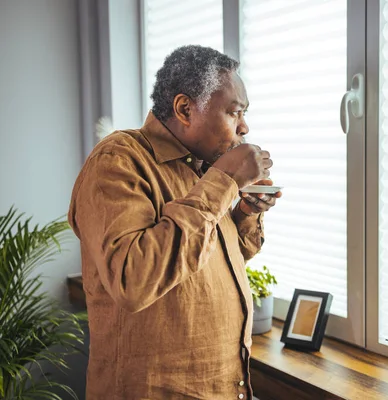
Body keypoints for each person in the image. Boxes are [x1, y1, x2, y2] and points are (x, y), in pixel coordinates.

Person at [68, 45, 281, 399]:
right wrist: (224, 182)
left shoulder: (200, 170)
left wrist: (245, 211)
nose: (244, 126)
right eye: (234, 112)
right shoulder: (118, 160)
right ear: (185, 109)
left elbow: (213, 263)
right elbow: (133, 279)